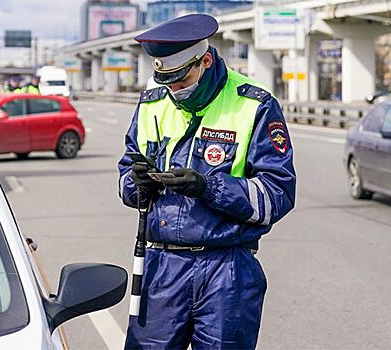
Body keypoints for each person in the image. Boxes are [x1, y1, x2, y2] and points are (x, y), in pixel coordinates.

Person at [118, 14, 296, 349]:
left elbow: (277, 195)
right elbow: (126, 177)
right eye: (166, 82)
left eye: (181, 81)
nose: (174, 90)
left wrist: (208, 187)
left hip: (226, 270)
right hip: (162, 267)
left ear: (206, 60)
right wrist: (137, 183)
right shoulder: (152, 103)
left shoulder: (254, 105)